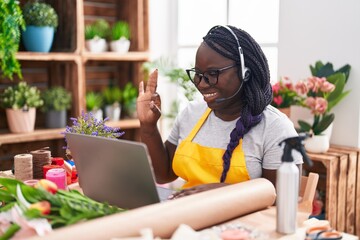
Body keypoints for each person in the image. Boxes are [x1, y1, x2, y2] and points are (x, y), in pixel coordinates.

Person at [136, 25, 303, 199]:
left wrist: (223, 194)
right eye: (198, 74)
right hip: (187, 215)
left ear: (245, 72)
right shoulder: (191, 114)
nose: (201, 83)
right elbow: (164, 174)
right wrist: (148, 126)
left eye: (213, 73)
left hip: (243, 224)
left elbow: (284, 201)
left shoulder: (276, 128)